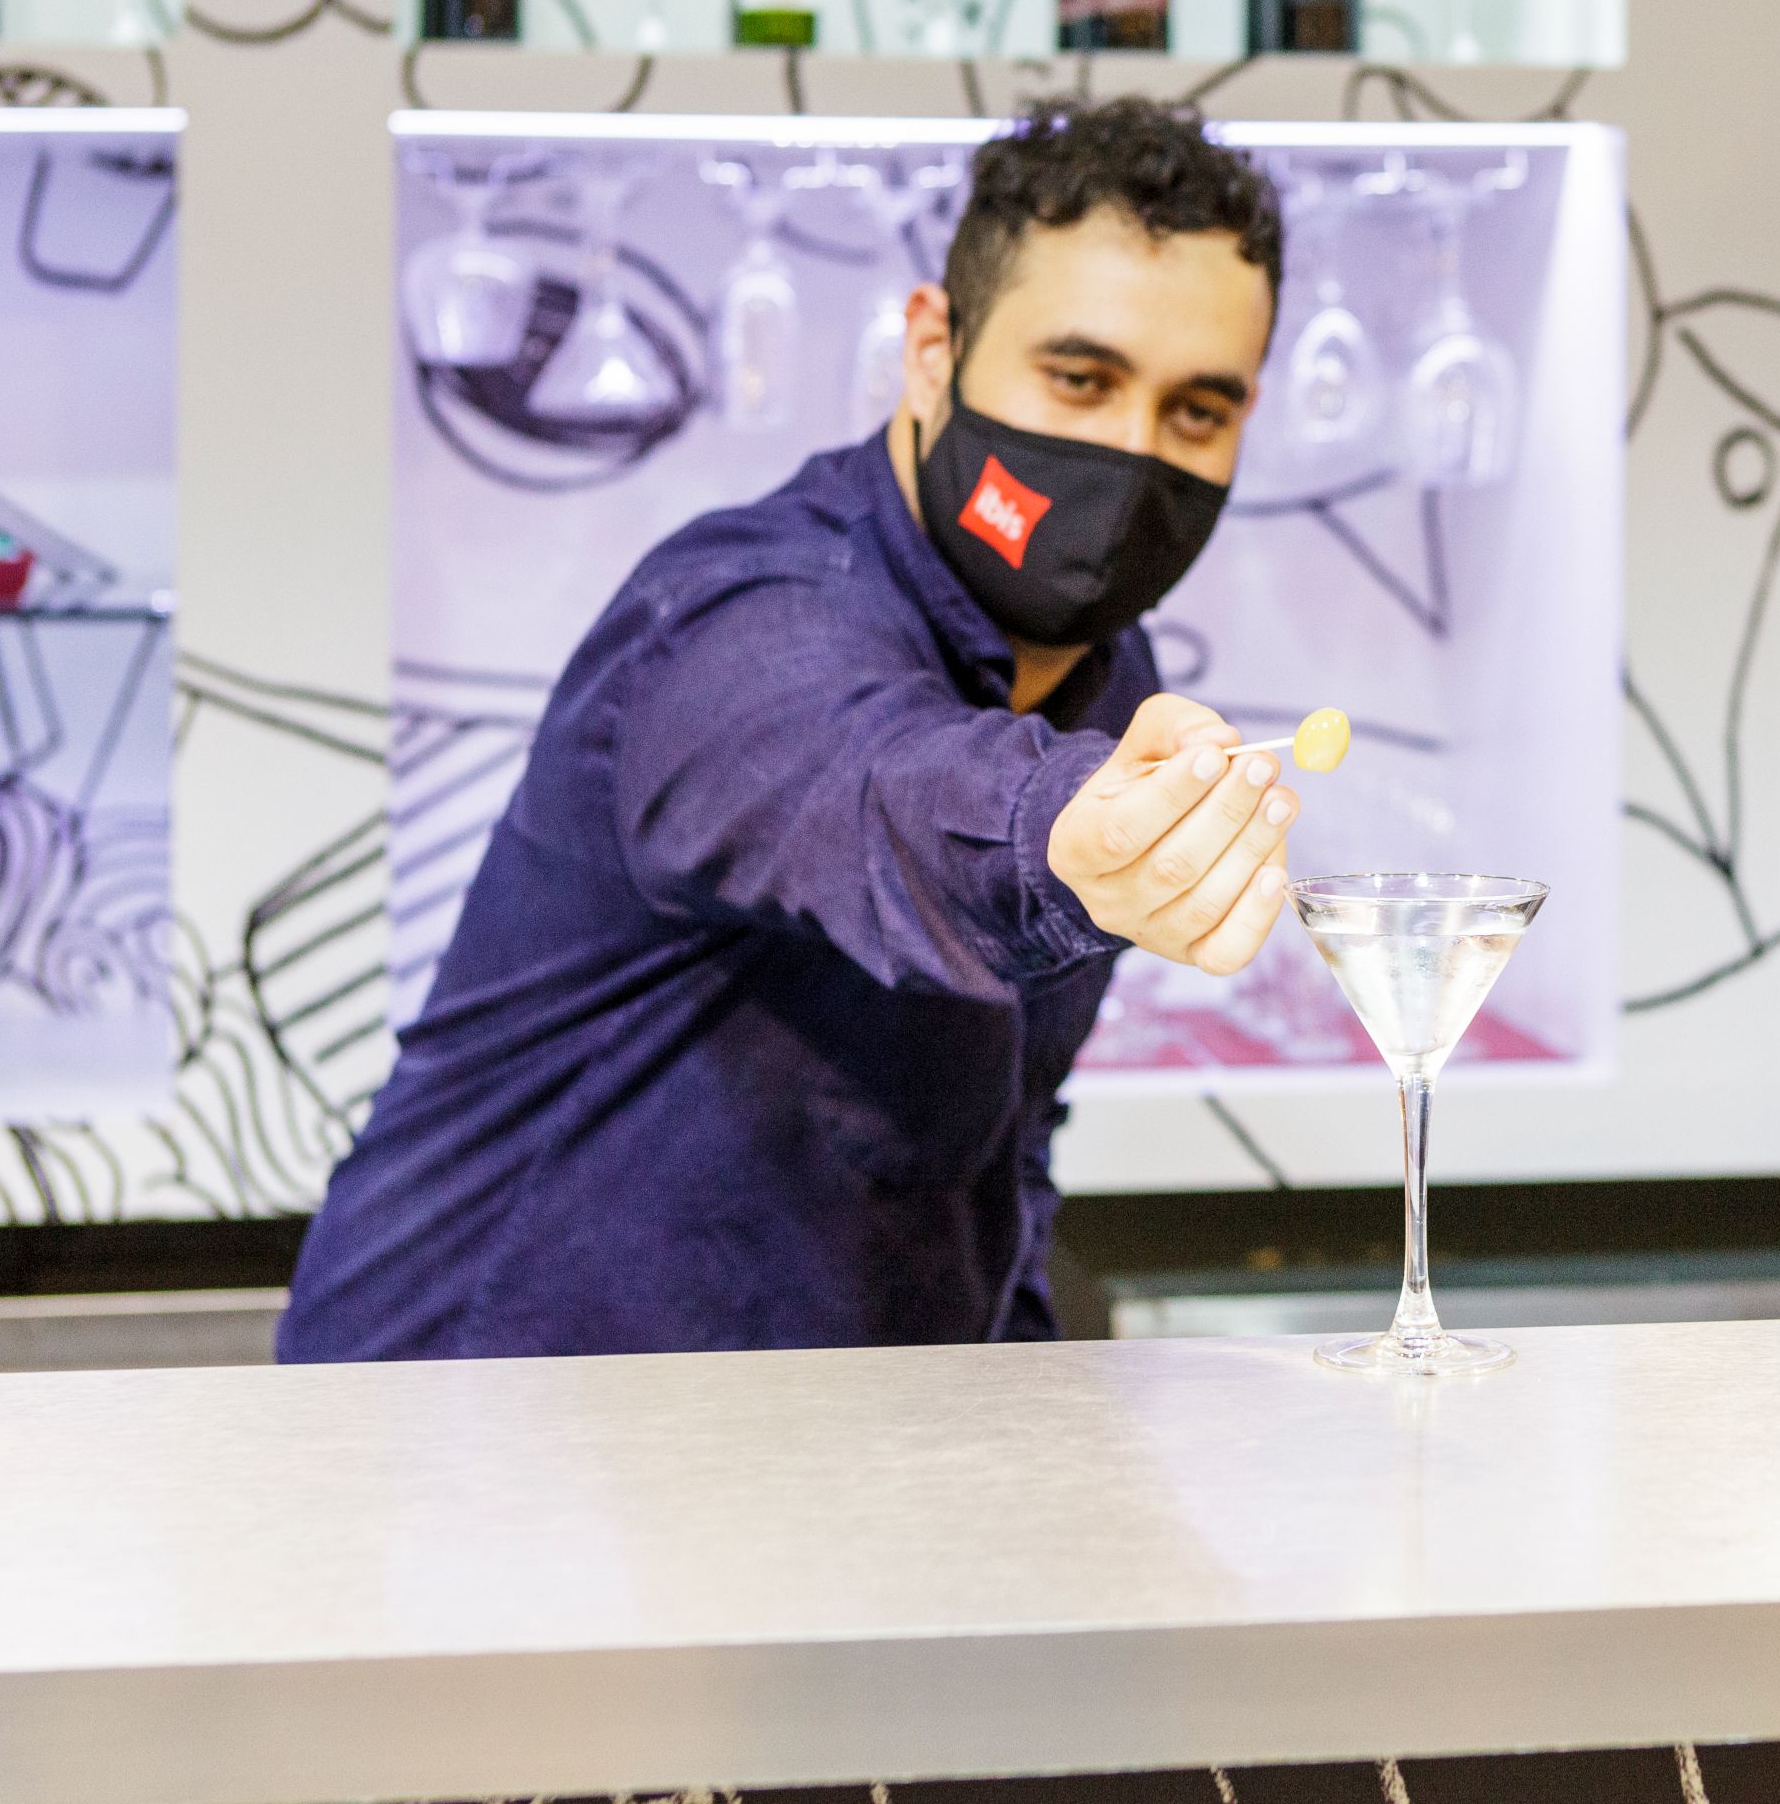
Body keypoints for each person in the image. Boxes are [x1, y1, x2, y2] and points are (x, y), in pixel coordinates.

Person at [279, 100, 1296, 1360]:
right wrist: (1067, 832)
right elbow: (881, 785)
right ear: (933, 350)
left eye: (1197, 411)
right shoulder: (736, 620)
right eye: (1079, 379)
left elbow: (1004, 1139)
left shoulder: (1110, 678)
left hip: (830, 1435)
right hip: (471, 1424)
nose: (1129, 454)